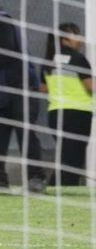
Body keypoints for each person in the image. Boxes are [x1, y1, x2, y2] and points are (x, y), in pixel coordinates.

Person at [0, 0, 47, 193]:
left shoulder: (1, 19)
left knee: (26, 134)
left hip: (21, 88)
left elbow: (3, 54)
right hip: (2, 89)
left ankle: (36, 178)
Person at [40, 23, 93, 186]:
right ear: (64, 39)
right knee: (73, 159)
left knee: (66, 157)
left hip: (56, 113)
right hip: (77, 114)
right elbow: (91, 86)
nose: (81, 40)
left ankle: (55, 188)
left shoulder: (48, 61)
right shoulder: (78, 58)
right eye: (76, 36)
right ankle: (59, 190)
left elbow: (43, 89)